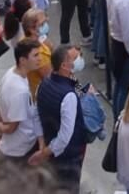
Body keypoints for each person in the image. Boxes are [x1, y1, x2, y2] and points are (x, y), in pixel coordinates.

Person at [37, 43, 93, 189]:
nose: (79, 60)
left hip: (51, 146)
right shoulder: (68, 95)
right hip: (68, 154)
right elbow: (65, 135)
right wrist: (47, 152)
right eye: (74, 58)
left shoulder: (45, 83)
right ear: (64, 65)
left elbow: (37, 115)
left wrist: (44, 146)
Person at [0, 38, 48, 167]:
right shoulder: (20, 91)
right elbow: (12, 127)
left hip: (13, 145)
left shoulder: (11, 73)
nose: (40, 59)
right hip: (20, 148)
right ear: (23, 60)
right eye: (35, 55)